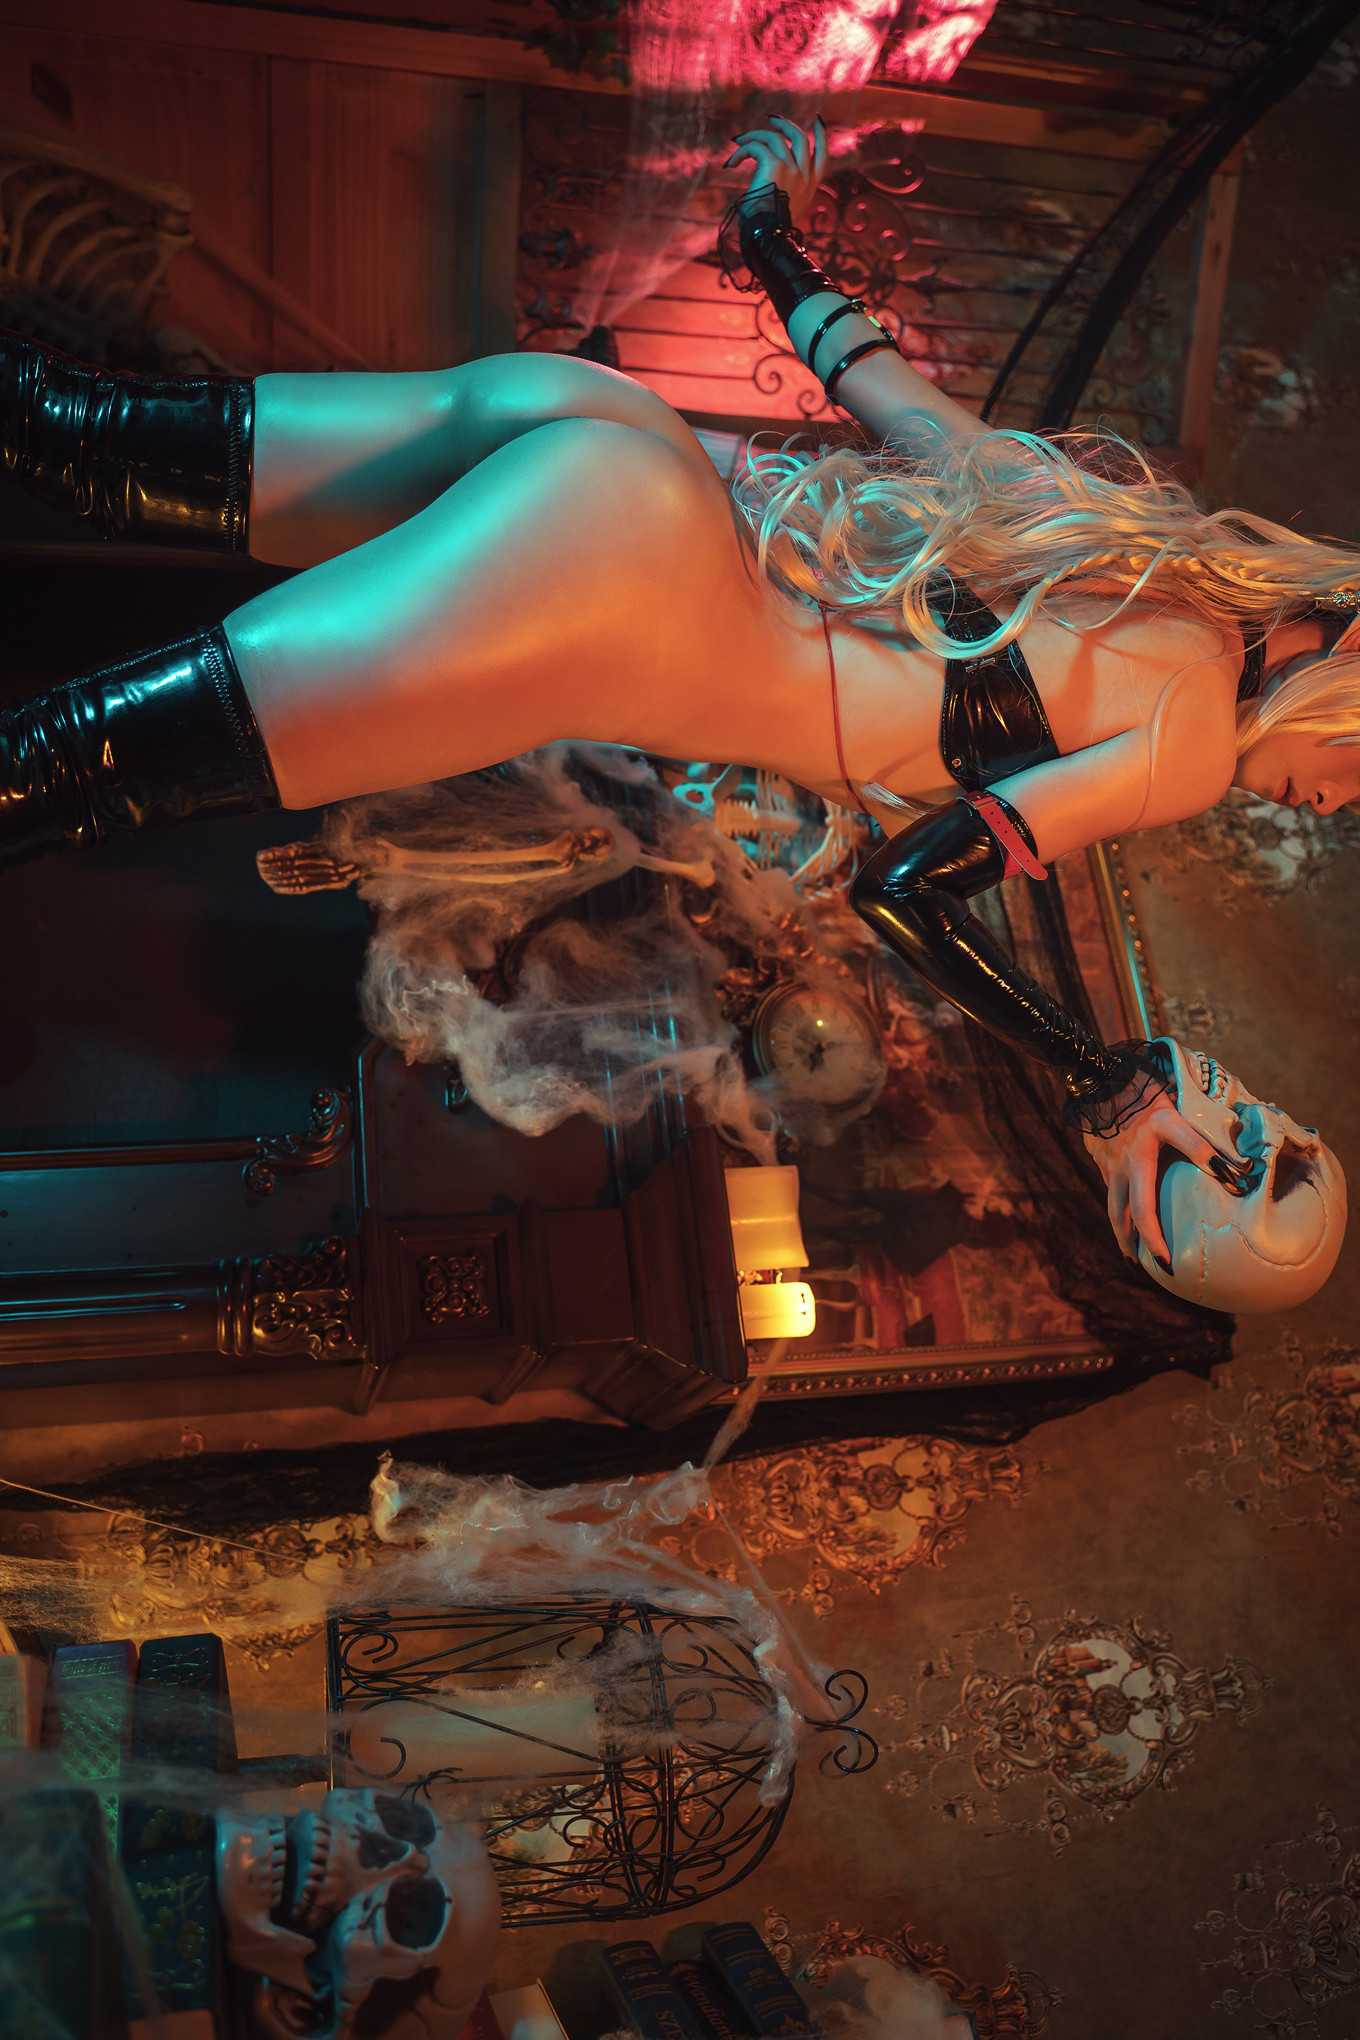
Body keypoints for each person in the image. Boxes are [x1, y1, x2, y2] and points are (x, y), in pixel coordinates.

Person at [2, 116, 1356, 1277]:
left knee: (71, 434)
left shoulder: (1119, 533)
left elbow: (866, 377)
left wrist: (767, 226)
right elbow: (907, 888)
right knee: (65, 768)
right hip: (621, 589)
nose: (1333, 807)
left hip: (630, 438)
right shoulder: (1187, 740)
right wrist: (1103, 1079)